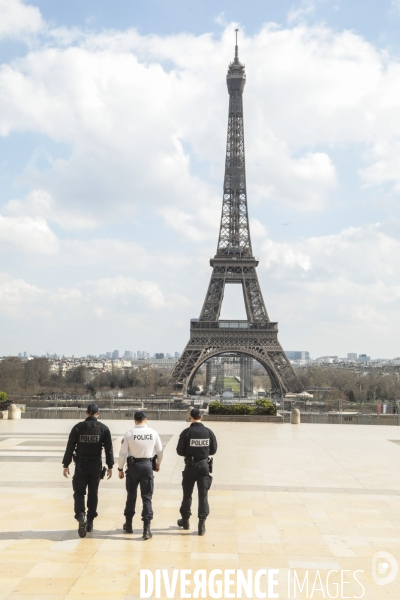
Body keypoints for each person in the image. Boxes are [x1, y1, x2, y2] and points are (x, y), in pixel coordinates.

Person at [62, 402, 114, 538]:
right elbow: (109, 450)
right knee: (93, 493)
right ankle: (90, 521)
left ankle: (81, 516)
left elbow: (70, 447)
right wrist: (110, 466)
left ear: (86, 413)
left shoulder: (78, 428)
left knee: (79, 493)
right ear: (98, 413)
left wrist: (66, 464)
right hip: (95, 466)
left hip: (81, 465)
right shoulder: (103, 429)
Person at [118, 410, 163, 540]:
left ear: (134, 420)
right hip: (148, 466)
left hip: (133, 467)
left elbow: (122, 453)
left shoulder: (129, 434)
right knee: (147, 497)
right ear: (146, 419)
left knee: (131, 495)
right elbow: (160, 452)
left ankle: (129, 524)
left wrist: (120, 468)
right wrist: (158, 464)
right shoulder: (153, 433)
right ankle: (146, 529)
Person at [176, 408, 218, 536]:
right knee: (203, 495)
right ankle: (201, 524)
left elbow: (179, 451)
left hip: (190, 466)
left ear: (191, 417)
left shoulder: (186, 432)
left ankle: (185, 520)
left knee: (187, 494)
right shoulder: (208, 432)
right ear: (202, 417)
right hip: (204, 465)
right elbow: (213, 450)